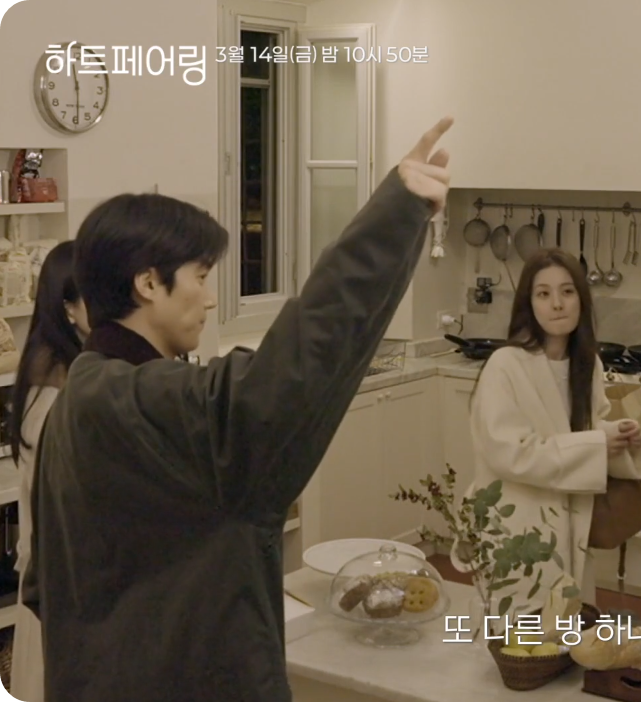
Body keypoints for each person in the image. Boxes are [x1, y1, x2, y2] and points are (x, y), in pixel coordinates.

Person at [22, 117, 454, 701]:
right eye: (200, 276)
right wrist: (395, 215)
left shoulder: (81, 394)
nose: (211, 297)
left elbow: (42, 587)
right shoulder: (128, 399)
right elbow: (288, 377)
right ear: (148, 283)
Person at [460, 248, 641, 614]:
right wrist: (597, 444)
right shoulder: (505, 366)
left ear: (581, 299)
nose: (557, 304)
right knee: (520, 630)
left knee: (568, 625)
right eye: (543, 294)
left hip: (574, 521)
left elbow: (582, 429)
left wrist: (618, 437)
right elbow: (511, 452)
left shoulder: (588, 364)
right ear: (528, 304)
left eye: (567, 291)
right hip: (518, 526)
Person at [7, 240, 89, 702]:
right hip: (60, 582)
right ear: (69, 307)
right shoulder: (58, 387)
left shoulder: (54, 364)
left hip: (52, 575)